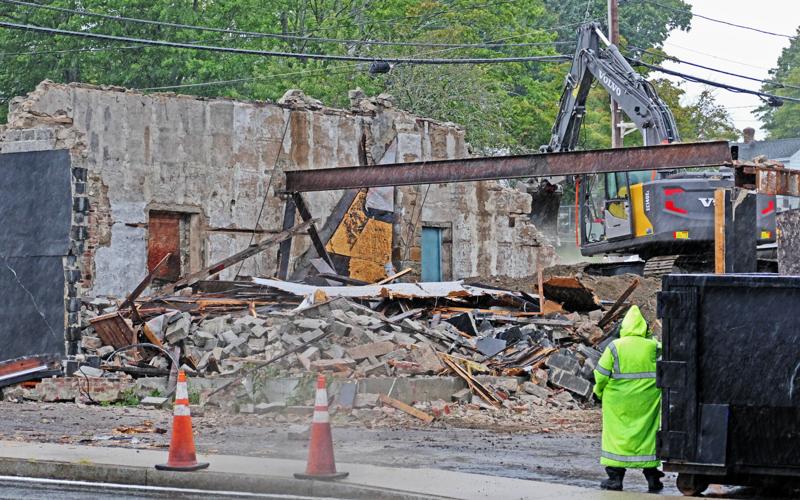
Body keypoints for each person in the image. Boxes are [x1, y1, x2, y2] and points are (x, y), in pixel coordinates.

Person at [592, 305, 664, 492]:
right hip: (648, 401)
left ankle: (615, 478)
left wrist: (598, 392)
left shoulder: (615, 347)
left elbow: (600, 374)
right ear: (643, 327)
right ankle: (653, 478)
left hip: (618, 402)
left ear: (624, 327)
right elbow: (667, 369)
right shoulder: (654, 346)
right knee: (647, 435)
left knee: (617, 437)